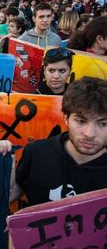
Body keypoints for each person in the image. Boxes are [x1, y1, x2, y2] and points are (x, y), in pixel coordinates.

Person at [12, 77, 107, 206]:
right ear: (66, 118)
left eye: (103, 123)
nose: (89, 134)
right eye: (81, 121)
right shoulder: (36, 153)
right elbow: (10, 195)